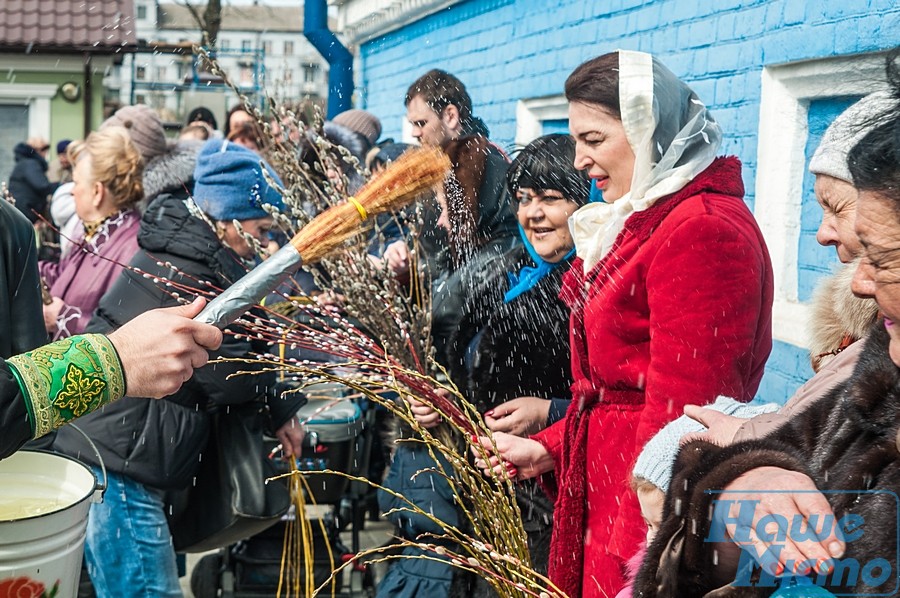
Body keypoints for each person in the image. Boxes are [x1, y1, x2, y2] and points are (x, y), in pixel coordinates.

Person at [474, 50, 774, 597]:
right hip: (608, 491)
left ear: (647, 129)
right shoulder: (647, 219)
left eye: (593, 139)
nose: (581, 159)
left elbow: (683, 429)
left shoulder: (701, 231)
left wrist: (643, 563)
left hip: (639, 519)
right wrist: (553, 446)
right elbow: (619, 397)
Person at [54, 138, 304, 596]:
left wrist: (279, 401)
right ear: (229, 219)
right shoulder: (190, 271)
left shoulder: (194, 252)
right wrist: (281, 403)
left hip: (119, 456)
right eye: (261, 228)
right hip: (119, 469)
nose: (265, 242)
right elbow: (223, 368)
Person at [682, 91, 889, 448]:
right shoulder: (855, 332)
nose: (822, 234)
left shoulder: (885, 341)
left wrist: (742, 435)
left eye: (837, 208)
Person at [444, 134, 589, 598]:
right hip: (491, 476)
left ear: (586, 203)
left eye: (551, 199)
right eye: (525, 199)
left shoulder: (593, 287)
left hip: (549, 489)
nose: (533, 213)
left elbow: (618, 403)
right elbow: (470, 356)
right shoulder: (512, 269)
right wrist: (444, 397)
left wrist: (549, 410)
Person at [377, 134, 520, 598]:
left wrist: (447, 401)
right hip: (441, 469)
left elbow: (489, 376)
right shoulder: (452, 267)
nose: (438, 217)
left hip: (467, 470)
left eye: (445, 203)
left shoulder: (499, 277)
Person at [1, 194, 223, 460]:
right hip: (120, 443)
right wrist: (113, 360)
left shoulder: (12, 226)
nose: (73, 193)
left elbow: (23, 359)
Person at [39, 129, 143, 341]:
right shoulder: (92, 231)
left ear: (97, 192)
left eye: (76, 183)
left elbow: (126, 335)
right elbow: (63, 275)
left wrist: (63, 320)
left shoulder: (132, 247)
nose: (71, 191)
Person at [8, 137, 59, 223]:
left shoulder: (25, 162)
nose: (45, 153)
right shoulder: (30, 164)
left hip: (22, 211)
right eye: (43, 149)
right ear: (35, 150)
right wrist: (61, 186)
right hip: (26, 212)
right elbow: (42, 186)